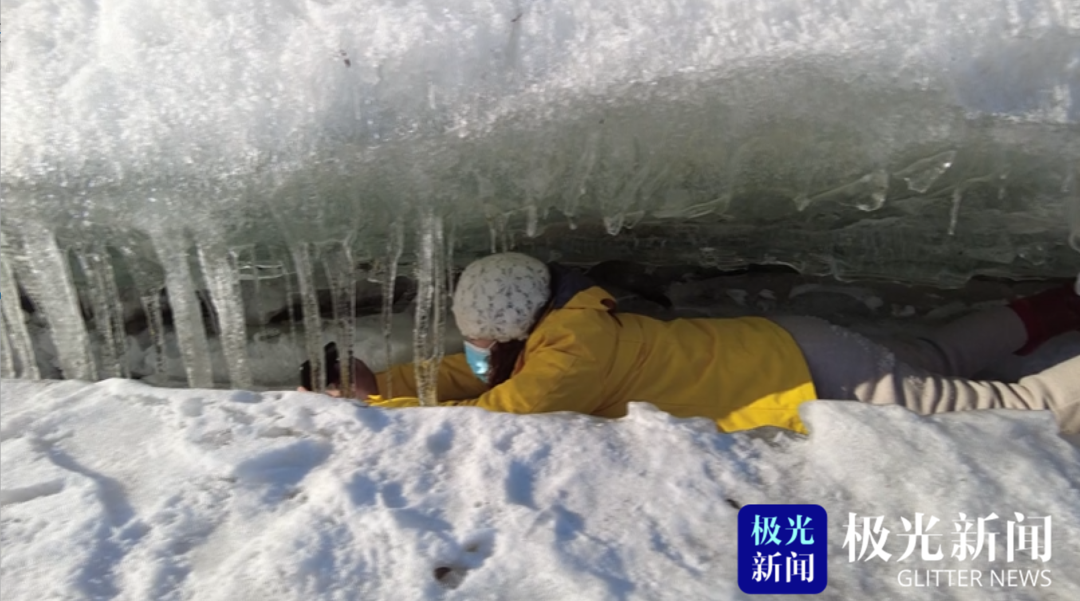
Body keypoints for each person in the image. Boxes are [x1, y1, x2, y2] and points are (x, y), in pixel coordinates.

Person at [302, 253, 1080, 435]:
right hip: (787, 343)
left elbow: (495, 414)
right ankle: (1061, 304)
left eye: (482, 344)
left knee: (1005, 407)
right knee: (937, 359)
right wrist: (389, 379)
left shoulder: (568, 360)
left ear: (514, 332)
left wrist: (384, 407)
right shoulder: (568, 322)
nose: (473, 356)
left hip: (803, 371)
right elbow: (460, 374)